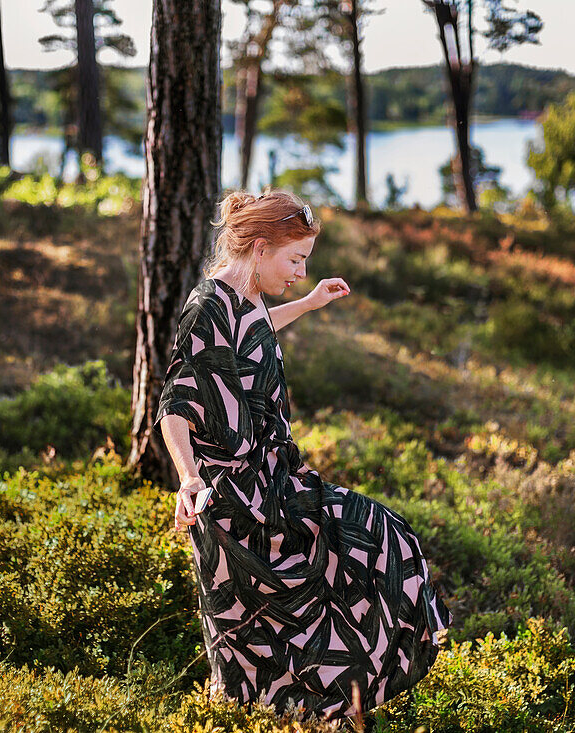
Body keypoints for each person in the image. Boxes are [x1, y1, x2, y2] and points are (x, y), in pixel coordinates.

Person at [155, 187, 452, 724]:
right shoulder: (207, 308)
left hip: (276, 480)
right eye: (296, 259)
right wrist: (189, 480)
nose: (298, 270)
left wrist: (309, 303)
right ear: (261, 248)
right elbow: (174, 402)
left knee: (382, 541)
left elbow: (251, 337)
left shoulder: (245, 302)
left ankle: (324, 706)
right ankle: (273, 714)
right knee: (256, 634)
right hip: (236, 500)